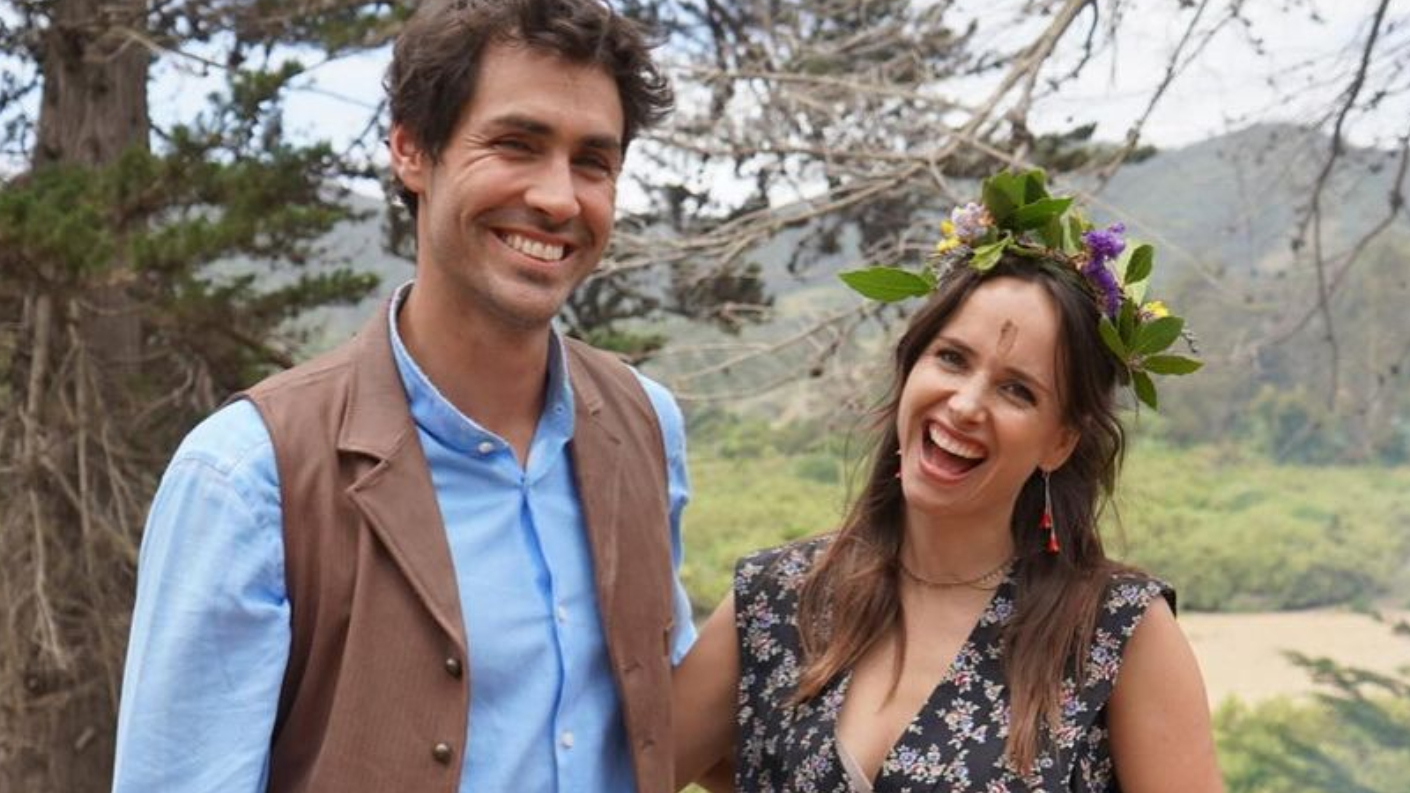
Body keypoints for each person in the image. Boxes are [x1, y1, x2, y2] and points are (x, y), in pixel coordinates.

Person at [112, 1, 694, 791]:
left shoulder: (644, 423)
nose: (560, 198)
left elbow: (664, 711)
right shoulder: (248, 477)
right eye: (517, 144)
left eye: (593, 161)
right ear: (412, 150)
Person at [673, 170, 1222, 792]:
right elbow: (616, 771)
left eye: (1017, 390)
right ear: (911, 366)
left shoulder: (1115, 634)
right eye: (952, 359)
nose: (964, 405)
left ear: (1060, 441)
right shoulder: (780, 597)